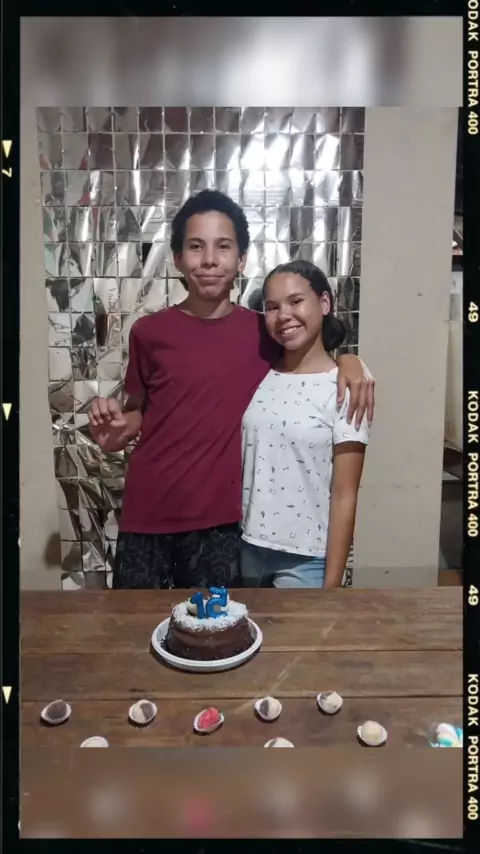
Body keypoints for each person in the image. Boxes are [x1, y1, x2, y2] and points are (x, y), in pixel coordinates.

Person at [88, 190, 375, 590]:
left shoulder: (265, 332)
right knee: (132, 623)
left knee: (216, 625)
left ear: (241, 259)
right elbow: (138, 409)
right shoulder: (148, 332)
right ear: (177, 258)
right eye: (195, 246)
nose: (209, 259)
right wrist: (118, 430)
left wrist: (350, 360)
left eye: (223, 246)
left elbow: (309, 355)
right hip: (147, 512)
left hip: (221, 526)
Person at [241, 260, 370, 589]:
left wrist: (331, 585)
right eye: (272, 307)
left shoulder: (345, 387)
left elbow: (345, 494)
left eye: (296, 301)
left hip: (306, 559)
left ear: (324, 303)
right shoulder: (258, 374)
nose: (284, 315)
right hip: (247, 547)